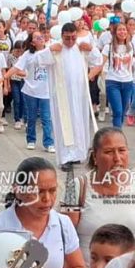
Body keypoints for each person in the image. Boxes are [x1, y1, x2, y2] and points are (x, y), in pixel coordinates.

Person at [61, 127, 135, 264]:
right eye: (108, 152)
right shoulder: (76, 188)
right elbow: (64, 239)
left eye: (122, 150)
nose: (117, 158)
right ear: (95, 157)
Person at [39, 23, 103, 168]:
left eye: (73, 38)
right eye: (67, 38)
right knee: (64, 125)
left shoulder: (80, 48)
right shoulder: (56, 49)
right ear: (62, 36)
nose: (70, 41)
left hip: (79, 94)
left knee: (79, 123)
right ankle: (66, 158)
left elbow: (98, 60)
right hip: (62, 96)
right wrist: (49, 50)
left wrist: (92, 49)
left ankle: (78, 154)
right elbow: (39, 60)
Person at [4, 31, 54, 152]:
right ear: (32, 42)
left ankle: (49, 142)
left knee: (46, 118)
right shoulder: (28, 54)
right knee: (31, 117)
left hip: (46, 91)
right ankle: (31, 140)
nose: (41, 38)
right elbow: (16, 67)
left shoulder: (50, 52)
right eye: (37, 37)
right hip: (31, 91)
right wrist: (5, 77)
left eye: (41, 36)